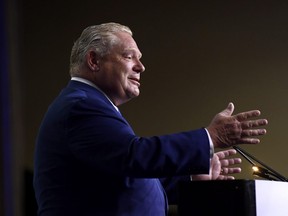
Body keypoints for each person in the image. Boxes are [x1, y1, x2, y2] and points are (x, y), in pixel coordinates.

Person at [33, 22, 268, 216]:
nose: (141, 67)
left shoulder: (91, 104)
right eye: (129, 57)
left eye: (140, 58)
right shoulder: (81, 106)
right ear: (94, 61)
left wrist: (192, 177)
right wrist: (210, 137)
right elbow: (134, 156)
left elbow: (126, 179)